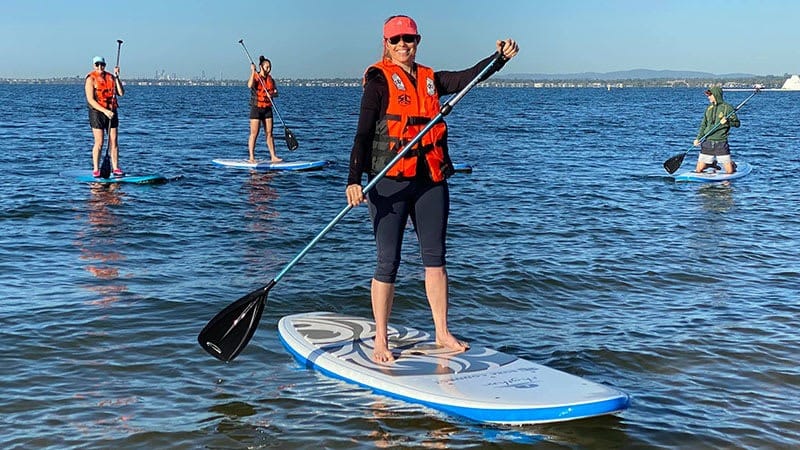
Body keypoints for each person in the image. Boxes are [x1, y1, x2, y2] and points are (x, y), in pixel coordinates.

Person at [344, 14, 519, 363]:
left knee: (436, 261)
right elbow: (363, 135)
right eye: (396, 40)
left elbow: (469, 77)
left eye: (409, 39)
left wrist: (497, 59)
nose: (403, 45)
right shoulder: (378, 81)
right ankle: (381, 339)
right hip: (388, 183)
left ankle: (442, 331)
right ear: (386, 44)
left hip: (430, 182)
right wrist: (353, 180)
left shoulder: (430, 79)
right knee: (387, 263)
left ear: (418, 41)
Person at [85, 55, 125, 177]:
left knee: (114, 141)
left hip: (111, 111)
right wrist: (104, 111)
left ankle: (116, 168)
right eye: (97, 65)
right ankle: (96, 169)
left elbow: (121, 93)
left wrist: (117, 77)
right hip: (97, 112)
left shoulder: (110, 77)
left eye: (102, 65)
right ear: (94, 66)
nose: (100, 67)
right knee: (100, 142)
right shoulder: (90, 79)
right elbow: (91, 100)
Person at [693, 86, 740, 174]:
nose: (708, 97)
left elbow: (737, 124)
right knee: (698, 170)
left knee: (729, 172)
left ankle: (732, 165)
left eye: (710, 95)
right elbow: (703, 125)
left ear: (716, 95)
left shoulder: (727, 108)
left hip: (721, 142)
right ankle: (711, 164)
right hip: (707, 142)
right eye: (708, 95)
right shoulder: (708, 108)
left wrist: (727, 122)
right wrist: (698, 138)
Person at [247, 56, 282, 163]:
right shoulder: (256, 77)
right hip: (256, 108)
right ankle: (251, 157)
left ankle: (273, 156)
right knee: (254, 133)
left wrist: (271, 93)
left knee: (269, 133)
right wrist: (253, 71)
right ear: (261, 67)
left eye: (270, 67)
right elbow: (249, 85)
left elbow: (276, 93)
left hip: (267, 109)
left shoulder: (270, 79)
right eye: (267, 67)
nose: (268, 69)